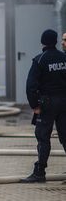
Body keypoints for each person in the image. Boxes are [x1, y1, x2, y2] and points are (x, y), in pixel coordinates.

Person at [21, 29, 66, 183]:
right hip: (64, 103)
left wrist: (35, 105)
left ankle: (39, 172)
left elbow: (31, 86)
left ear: (43, 42)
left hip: (47, 104)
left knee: (42, 137)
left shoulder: (40, 60)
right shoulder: (64, 58)